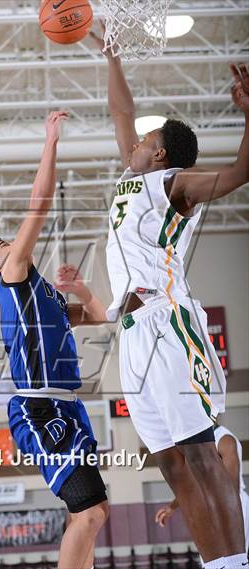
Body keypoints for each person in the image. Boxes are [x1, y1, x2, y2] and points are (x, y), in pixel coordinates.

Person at [90, 21, 249, 569]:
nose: (135, 142)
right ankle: (214, 562)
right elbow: (120, 113)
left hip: (167, 321)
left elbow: (237, 173)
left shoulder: (173, 184)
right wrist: (111, 55)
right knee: (171, 464)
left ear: (161, 157)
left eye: (146, 142)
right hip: (131, 335)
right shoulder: (133, 180)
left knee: (202, 456)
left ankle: (235, 563)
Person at [0, 111, 109, 569]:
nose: (12, 244)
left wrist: (83, 290)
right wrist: (50, 143)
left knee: (93, 514)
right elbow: (40, 205)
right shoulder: (13, 279)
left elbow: (97, 316)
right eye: (3, 246)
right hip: (38, 407)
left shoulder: (43, 294)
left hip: (69, 406)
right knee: (89, 514)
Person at [155, 423, 249, 554]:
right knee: (213, 562)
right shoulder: (192, 442)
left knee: (233, 559)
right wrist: (172, 506)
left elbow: (232, 488)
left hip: (231, 506)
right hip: (208, 504)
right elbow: (194, 484)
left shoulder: (225, 439)